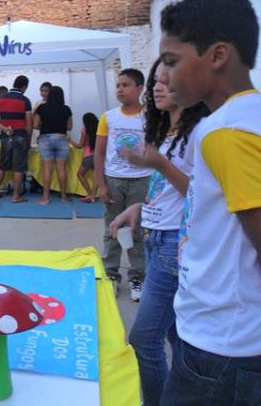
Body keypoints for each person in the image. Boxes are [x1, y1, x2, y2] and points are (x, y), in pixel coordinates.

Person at [155, 0, 261, 406]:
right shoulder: (243, 120)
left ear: (217, 56)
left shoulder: (226, 131)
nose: (163, 76)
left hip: (221, 348)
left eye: (171, 61)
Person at [109, 58, 209, 406]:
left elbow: (204, 194)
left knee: (144, 339)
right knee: (173, 334)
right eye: (155, 81)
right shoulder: (167, 131)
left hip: (173, 246)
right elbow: (166, 192)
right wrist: (139, 209)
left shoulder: (201, 131)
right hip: (157, 237)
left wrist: (159, 164)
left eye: (167, 80)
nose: (158, 87)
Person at [94, 68, 150, 301]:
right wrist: (102, 185)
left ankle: (137, 276)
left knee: (137, 230)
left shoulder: (150, 117)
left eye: (126, 85)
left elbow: (157, 150)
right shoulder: (108, 117)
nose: (120, 89)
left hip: (142, 180)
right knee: (113, 229)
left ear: (139, 88)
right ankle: (110, 276)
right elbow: (99, 152)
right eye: (118, 85)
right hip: (114, 179)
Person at [0, 75, 33, 202]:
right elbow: (29, 124)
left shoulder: (0, 99)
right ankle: (16, 196)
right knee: (19, 167)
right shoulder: (25, 100)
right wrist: (29, 141)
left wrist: (4, 128)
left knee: (2, 166)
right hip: (20, 135)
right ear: (24, 86)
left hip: (5, 136)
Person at [33, 85, 73, 204]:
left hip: (45, 138)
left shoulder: (41, 107)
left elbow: (35, 125)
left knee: (47, 169)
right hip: (62, 138)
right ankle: (64, 197)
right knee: (61, 169)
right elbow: (70, 127)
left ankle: (45, 198)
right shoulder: (67, 109)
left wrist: (44, 125)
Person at [70, 112, 99, 202]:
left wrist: (70, 141)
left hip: (88, 156)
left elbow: (80, 146)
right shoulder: (99, 129)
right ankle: (93, 196)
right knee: (96, 176)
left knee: (80, 174)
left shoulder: (85, 130)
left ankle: (89, 194)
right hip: (98, 156)